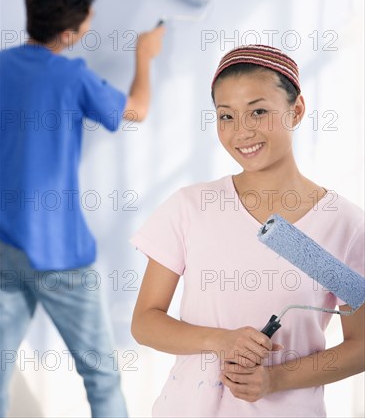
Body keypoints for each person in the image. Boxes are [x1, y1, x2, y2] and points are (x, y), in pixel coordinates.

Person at [130, 45, 364, 417]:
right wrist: (220, 340)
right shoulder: (191, 207)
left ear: (297, 110)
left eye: (259, 111)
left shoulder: (343, 223)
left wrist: (276, 379)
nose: (242, 132)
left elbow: (361, 345)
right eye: (226, 116)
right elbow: (145, 322)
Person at [0, 0, 165, 418]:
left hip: (3, 245)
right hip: (60, 254)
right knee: (100, 376)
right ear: (72, 32)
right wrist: (145, 56)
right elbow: (138, 111)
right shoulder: (73, 77)